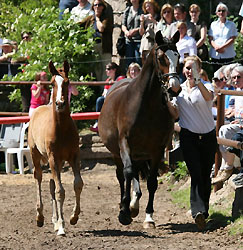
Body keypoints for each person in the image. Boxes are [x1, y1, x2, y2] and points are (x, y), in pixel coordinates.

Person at [171, 55, 217, 231]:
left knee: (205, 174)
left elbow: (208, 98)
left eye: (192, 67)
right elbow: (175, 113)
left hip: (207, 136)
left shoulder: (206, 86)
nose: (188, 71)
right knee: (196, 173)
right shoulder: (180, 90)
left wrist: (198, 81)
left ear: (199, 68)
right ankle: (197, 210)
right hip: (188, 136)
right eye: (186, 68)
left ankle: (203, 212)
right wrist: (168, 100)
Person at [212, 65, 243, 185]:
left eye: (238, 77)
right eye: (233, 77)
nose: (235, 80)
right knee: (222, 130)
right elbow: (233, 110)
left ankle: (228, 167)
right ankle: (223, 166)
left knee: (225, 131)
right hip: (238, 123)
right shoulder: (237, 92)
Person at [82, 0, 114, 81]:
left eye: (99, 5)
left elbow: (101, 28)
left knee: (106, 68)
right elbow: (80, 25)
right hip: (94, 46)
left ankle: (106, 88)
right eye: (95, 5)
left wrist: (97, 18)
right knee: (97, 69)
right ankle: (100, 89)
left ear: (103, 7)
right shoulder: (90, 19)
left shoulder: (106, 18)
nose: (97, 7)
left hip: (104, 46)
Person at [90, 62, 125, 132]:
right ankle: (98, 122)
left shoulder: (120, 78)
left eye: (108, 69)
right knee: (100, 100)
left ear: (114, 70)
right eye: (106, 69)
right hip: (108, 99)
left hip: (118, 100)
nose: (106, 70)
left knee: (100, 100)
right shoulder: (108, 80)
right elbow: (104, 93)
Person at [208, 2, 238, 73]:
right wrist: (216, 47)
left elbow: (232, 38)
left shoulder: (231, 24)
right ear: (216, 13)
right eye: (219, 10)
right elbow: (210, 38)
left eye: (223, 11)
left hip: (228, 54)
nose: (221, 12)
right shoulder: (213, 24)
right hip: (215, 54)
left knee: (228, 75)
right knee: (216, 75)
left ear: (227, 12)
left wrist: (222, 47)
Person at [121, 0, 143, 70]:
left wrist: (136, 30)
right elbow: (123, 25)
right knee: (128, 62)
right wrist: (126, 32)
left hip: (139, 40)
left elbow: (145, 25)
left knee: (138, 61)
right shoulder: (127, 10)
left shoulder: (142, 10)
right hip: (129, 41)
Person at [139, 0, 160, 64]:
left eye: (149, 6)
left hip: (154, 42)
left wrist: (153, 21)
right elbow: (141, 33)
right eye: (146, 6)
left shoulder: (158, 16)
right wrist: (142, 22)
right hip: (146, 43)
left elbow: (160, 28)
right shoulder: (145, 17)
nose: (148, 8)